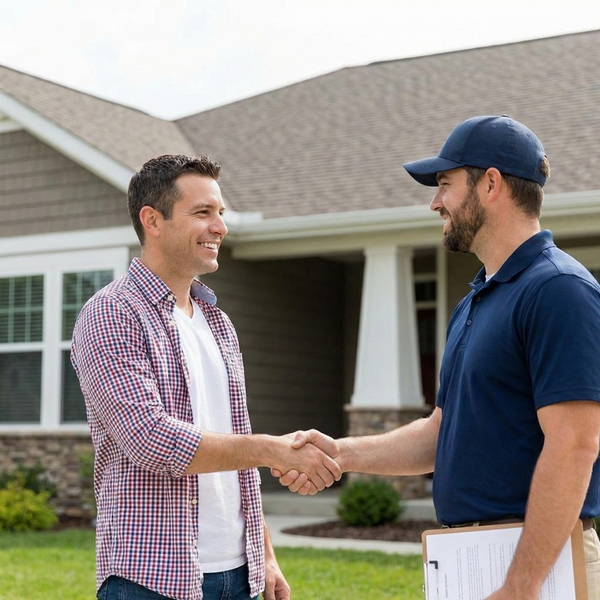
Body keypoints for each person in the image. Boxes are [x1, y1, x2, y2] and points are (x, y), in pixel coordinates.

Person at [276, 115, 600, 599]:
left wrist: (521, 585)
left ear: (491, 183)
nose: (434, 202)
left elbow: (575, 444)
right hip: (466, 560)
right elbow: (440, 432)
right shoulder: (475, 302)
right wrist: (341, 454)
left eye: (445, 184)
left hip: (537, 564)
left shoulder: (558, 291)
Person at [71, 154, 341, 600]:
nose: (220, 226)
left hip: (241, 574)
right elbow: (148, 437)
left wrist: (265, 553)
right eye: (203, 213)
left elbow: (235, 441)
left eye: (220, 213)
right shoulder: (112, 313)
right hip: (151, 579)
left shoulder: (218, 322)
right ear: (152, 220)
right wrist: (273, 449)